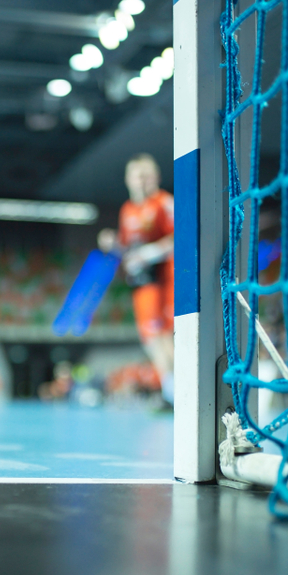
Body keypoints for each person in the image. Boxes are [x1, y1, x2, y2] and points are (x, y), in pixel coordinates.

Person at [113, 153, 175, 405]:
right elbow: (127, 247)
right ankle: (170, 391)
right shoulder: (127, 209)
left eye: (146, 175)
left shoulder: (164, 202)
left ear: (156, 178)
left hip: (167, 279)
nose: (141, 181)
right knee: (151, 339)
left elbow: (179, 236)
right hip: (143, 284)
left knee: (167, 336)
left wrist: (149, 253)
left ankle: (179, 392)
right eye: (137, 176)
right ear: (128, 179)